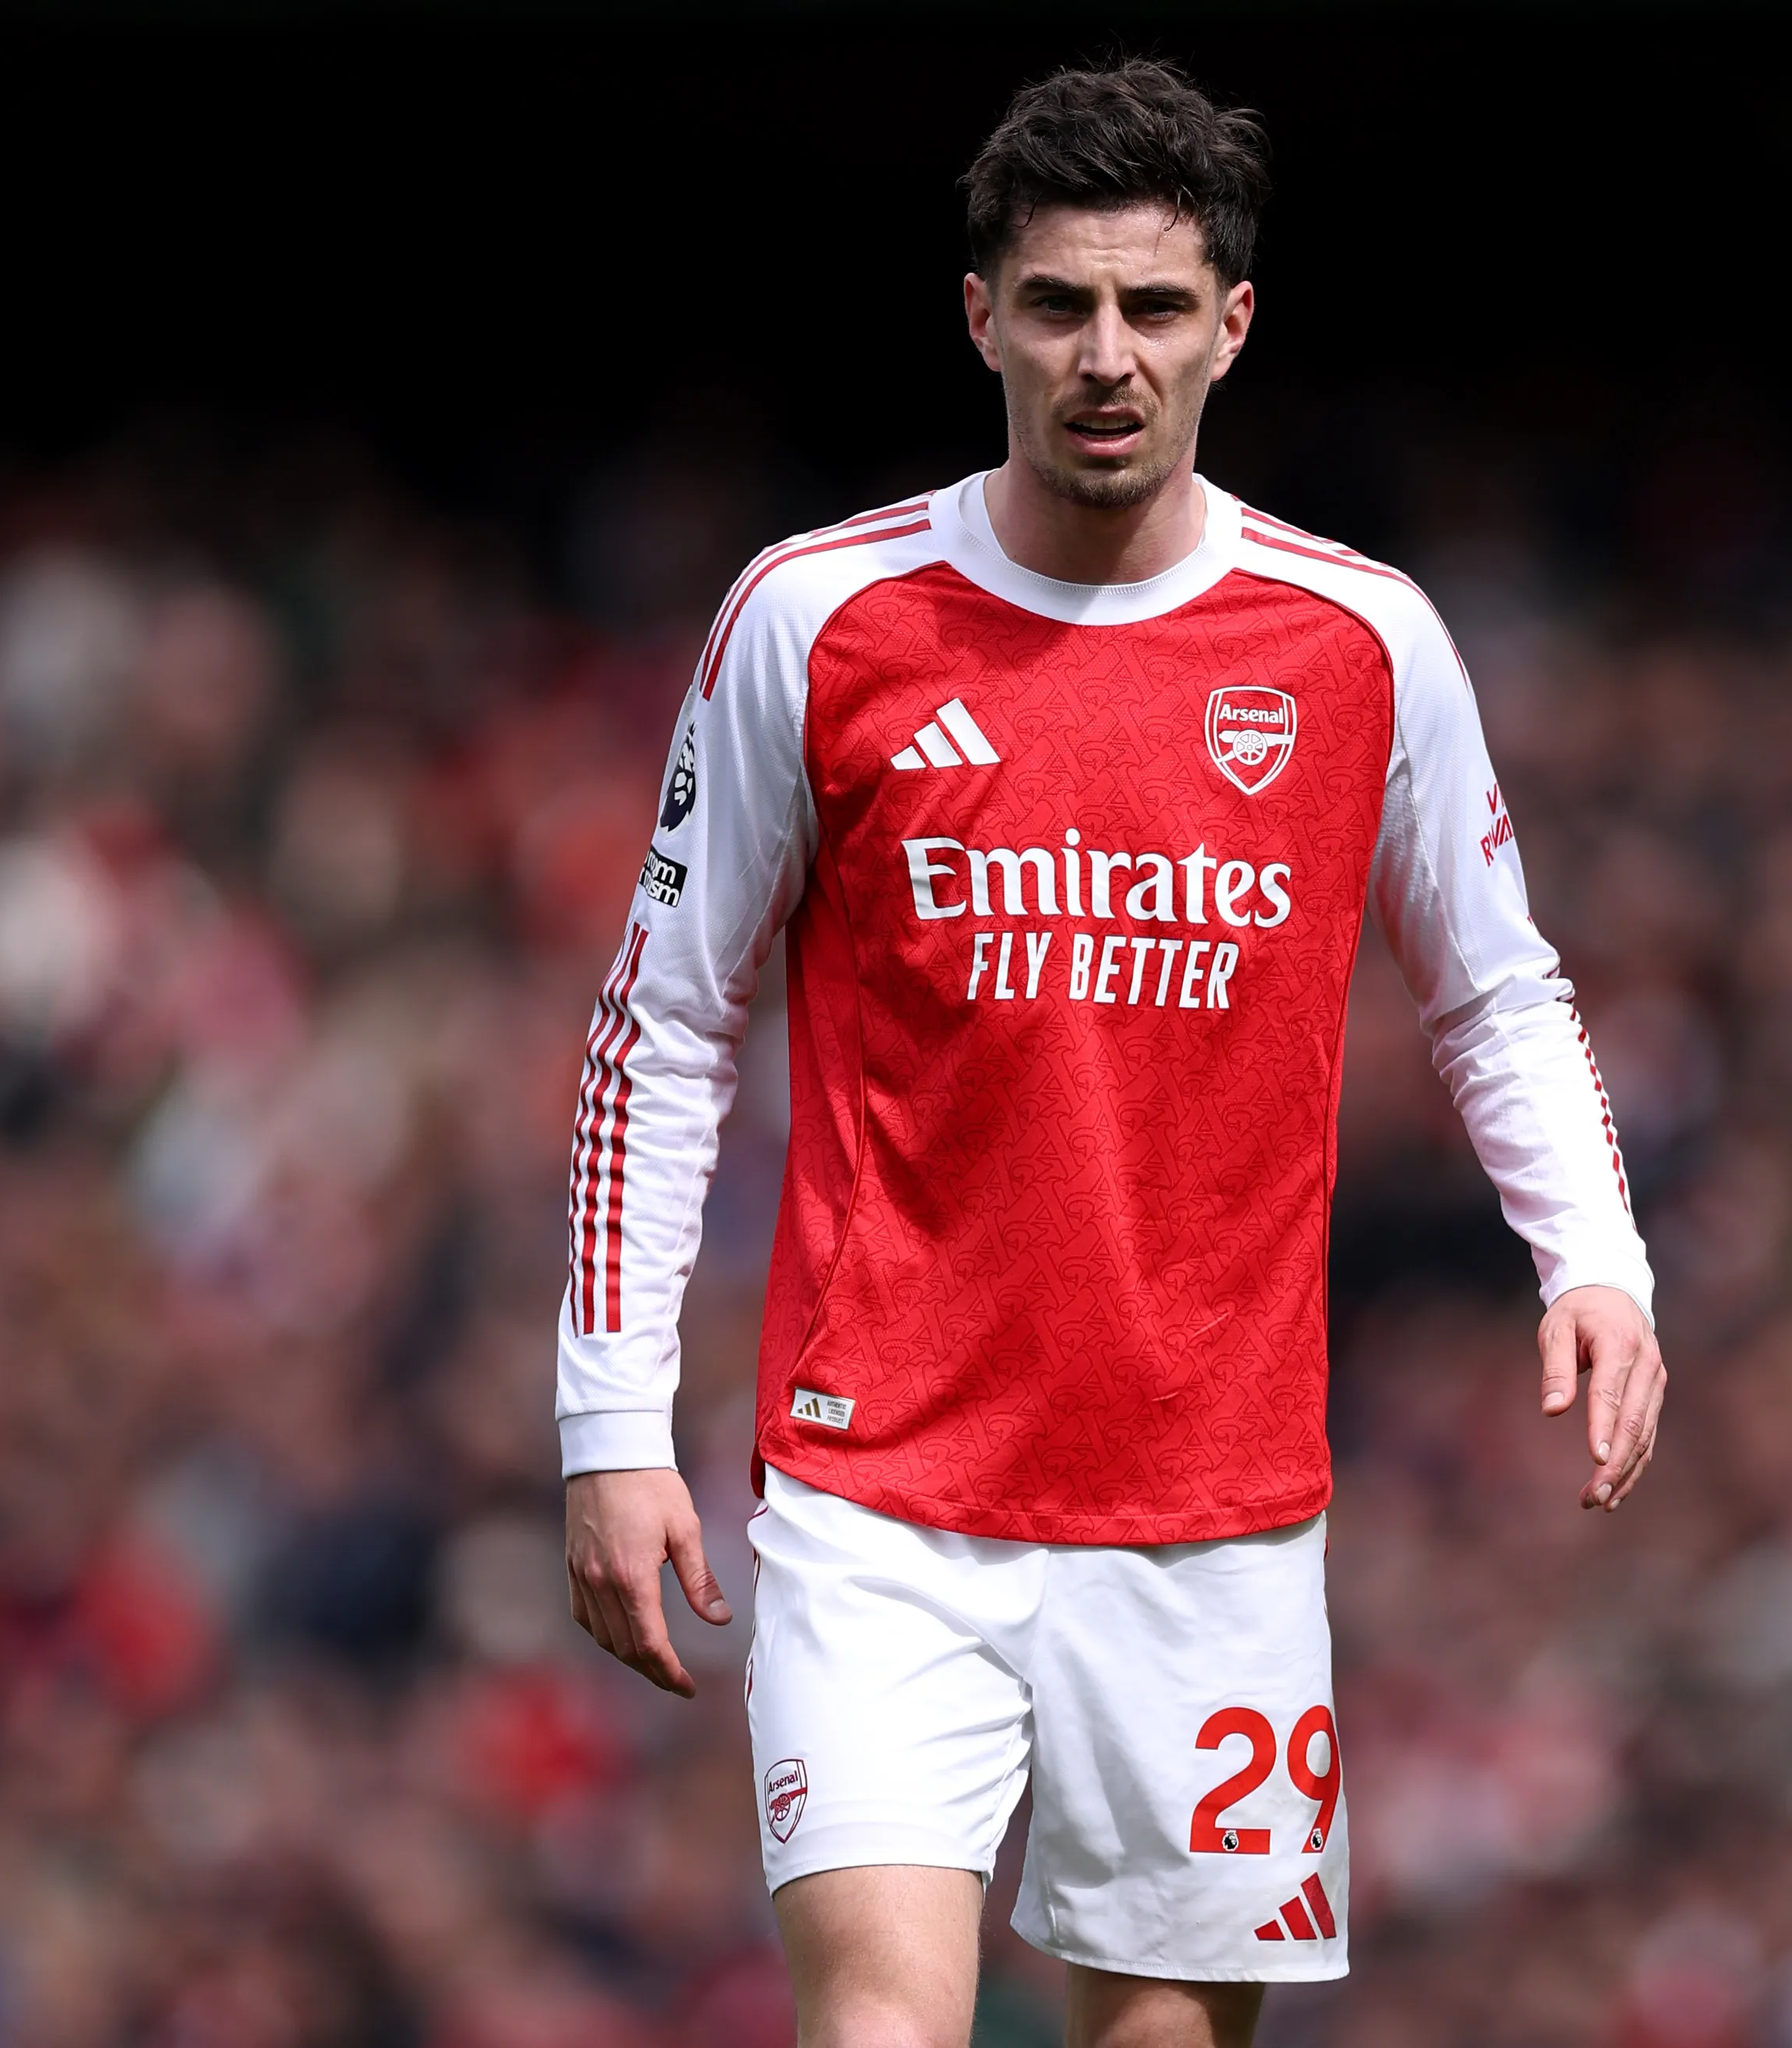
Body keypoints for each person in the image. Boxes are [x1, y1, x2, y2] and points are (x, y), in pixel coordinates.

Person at [556, 59, 1666, 2048]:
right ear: (977, 312)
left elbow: (1496, 981)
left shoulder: (1360, 643)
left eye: (1153, 309)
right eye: (1058, 303)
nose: (1104, 355)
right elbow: (662, 1026)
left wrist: (1596, 1252)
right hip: (879, 1485)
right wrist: (610, 1424)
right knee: (882, 2023)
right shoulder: (819, 619)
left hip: (1210, 1512)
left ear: (1232, 329)